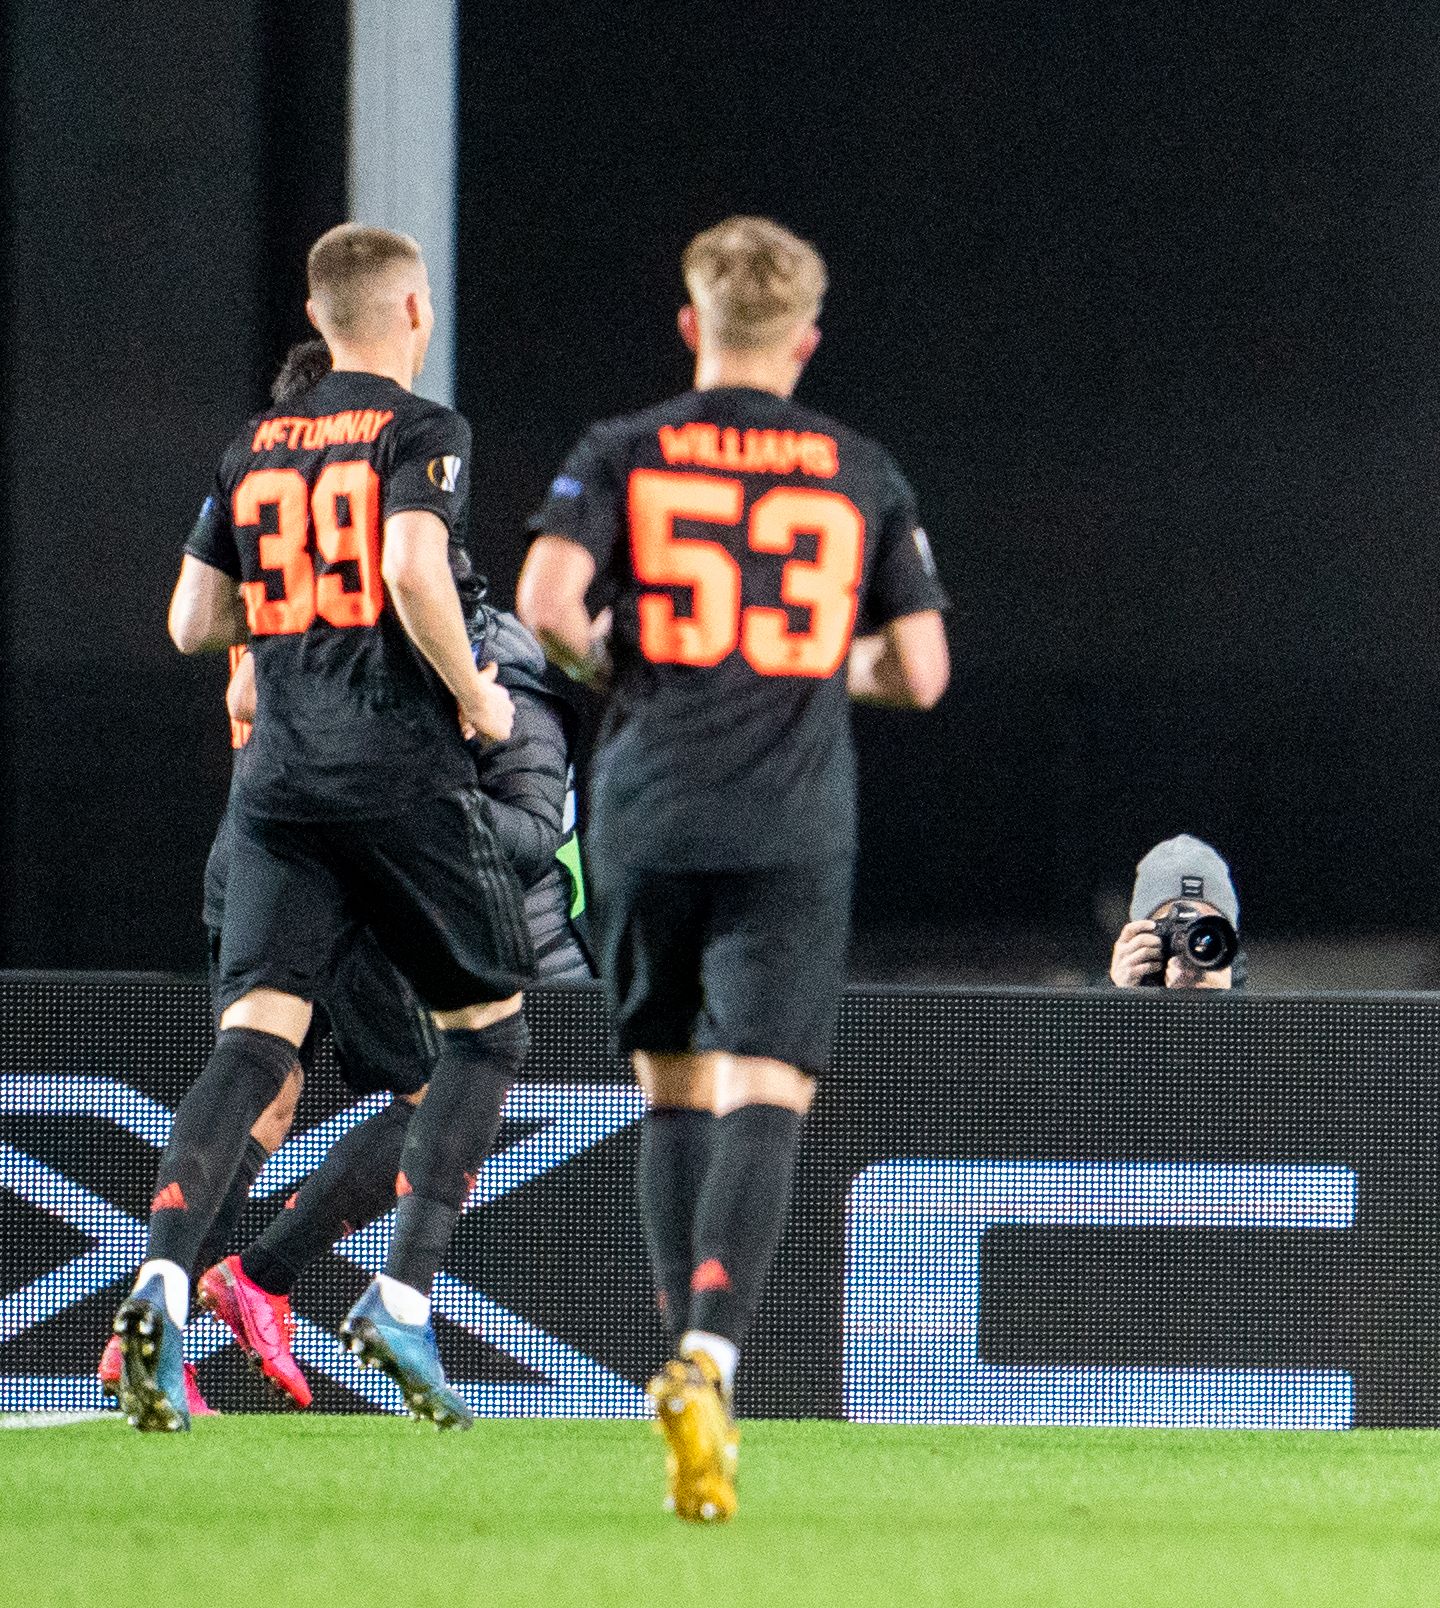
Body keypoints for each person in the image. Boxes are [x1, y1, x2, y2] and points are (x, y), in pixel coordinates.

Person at [517, 216, 950, 1522]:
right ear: (805, 341)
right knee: (767, 1084)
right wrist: (817, 665)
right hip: (788, 817)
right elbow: (922, 671)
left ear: (691, 323)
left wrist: (612, 668)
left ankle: (672, 1350)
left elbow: (543, 599)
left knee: (671, 1085)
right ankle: (710, 1357)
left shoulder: (625, 447)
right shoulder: (859, 469)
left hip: (641, 802)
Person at [126, 224, 537, 1433]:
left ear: (319, 316)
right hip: (395, 775)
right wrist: (475, 696)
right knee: (489, 1036)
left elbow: (193, 619)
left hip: (278, 791)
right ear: (413, 308)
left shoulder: (253, 446)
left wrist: (296, 616)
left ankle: (160, 1279)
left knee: (256, 1048)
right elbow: (414, 565)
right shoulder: (423, 430)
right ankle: (400, 1298)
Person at [1108, 835, 1243, 989]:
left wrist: (1228, 1004)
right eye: (1172, 924)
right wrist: (1118, 999)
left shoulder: (1267, 1011)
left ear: (1229, 939)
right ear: (1138, 936)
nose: (1188, 943)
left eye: (1204, 928)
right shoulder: (1099, 1008)